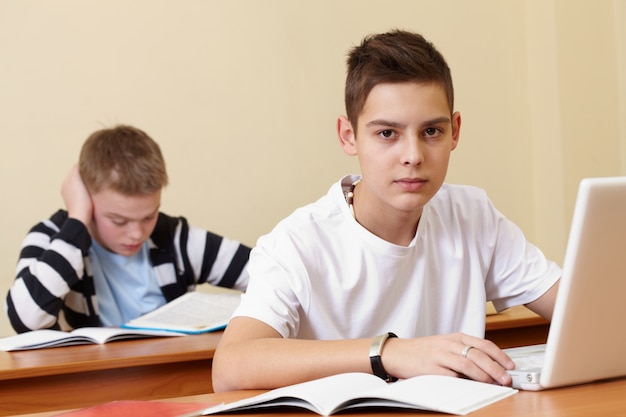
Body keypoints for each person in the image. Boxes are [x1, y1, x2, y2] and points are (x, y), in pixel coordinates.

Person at [212, 29, 561, 391]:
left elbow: (582, 311)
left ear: (454, 131)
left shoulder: (473, 215)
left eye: (431, 131)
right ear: (348, 136)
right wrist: (388, 353)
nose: (413, 155)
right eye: (387, 134)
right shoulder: (298, 241)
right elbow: (231, 367)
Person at [6, 125, 251, 333]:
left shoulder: (174, 237)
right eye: (118, 221)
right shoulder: (54, 237)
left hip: (172, 378)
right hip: (90, 382)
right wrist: (77, 219)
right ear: (87, 199)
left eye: (149, 216)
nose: (136, 233)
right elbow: (25, 320)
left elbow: (273, 273)